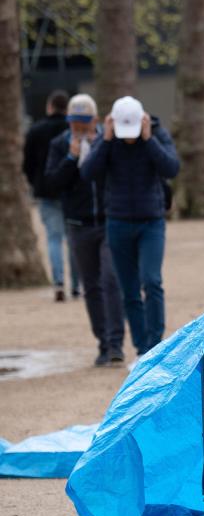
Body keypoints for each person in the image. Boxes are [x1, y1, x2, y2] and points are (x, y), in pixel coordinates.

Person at [80, 96, 180, 360]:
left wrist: (149, 140)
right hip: (118, 222)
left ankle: (156, 344)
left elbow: (172, 168)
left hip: (151, 222)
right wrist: (106, 139)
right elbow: (88, 172)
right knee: (129, 289)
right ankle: (142, 349)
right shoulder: (108, 140)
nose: (129, 138)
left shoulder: (156, 134)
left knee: (152, 280)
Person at [42, 94, 125, 367]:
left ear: (95, 121)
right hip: (78, 224)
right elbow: (52, 184)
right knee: (91, 286)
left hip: (108, 220)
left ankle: (115, 343)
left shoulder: (108, 141)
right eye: (74, 123)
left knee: (111, 280)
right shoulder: (59, 144)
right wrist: (70, 158)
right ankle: (103, 343)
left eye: (84, 123)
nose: (78, 128)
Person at [23, 89, 80, 301]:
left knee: (54, 239)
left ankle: (58, 282)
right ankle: (76, 285)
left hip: (46, 191)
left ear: (49, 107)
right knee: (73, 238)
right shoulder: (71, 130)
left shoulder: (35, 131)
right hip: (70, 191)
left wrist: (35, 182)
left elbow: (27, 163)